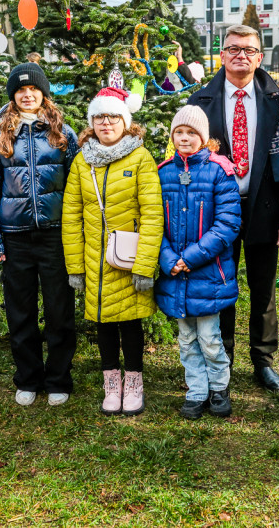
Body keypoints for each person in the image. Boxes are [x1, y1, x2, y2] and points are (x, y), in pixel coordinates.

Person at [186, 24, 279, 393]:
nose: (241, 56)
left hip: (264, 206)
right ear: (222, 55)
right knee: (221, 284)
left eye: (249, 50)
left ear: (259, 57)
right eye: (233, 49)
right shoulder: (200, 102)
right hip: (217, 214)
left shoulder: (278, 101)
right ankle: (224, 356)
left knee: (263, 288)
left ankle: (263, 359)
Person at [0, 62, 79, 407]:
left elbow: (77, 186)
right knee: (20, 312)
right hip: (16, 237)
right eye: (21, 90)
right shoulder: (0, 137)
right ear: (13, 96)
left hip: (55, 235)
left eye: (33, 89)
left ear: (43, 94)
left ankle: (58, 378)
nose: (27, 95)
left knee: (59, 311)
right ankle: (27, 378)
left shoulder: (62, 134)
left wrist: (76, 233)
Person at [62, 86, 162, 416]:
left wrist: (144, 266)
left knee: (130, 323)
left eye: (114, 116)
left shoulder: (140, 159)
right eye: (100, 117)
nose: (107, 123)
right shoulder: (82, 162)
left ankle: (133, 383)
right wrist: (76, 267)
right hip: (94, 259)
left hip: (129, 259)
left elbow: (152, 214)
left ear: (126, 121)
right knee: (103, 322)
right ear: (92, 122)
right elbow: (72, 217)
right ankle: (111, 383)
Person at [155, 106, 241, 419]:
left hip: (208, 274)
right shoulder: (163, 172)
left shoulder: (219, 171)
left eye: (191, 133)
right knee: (187, 339)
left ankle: (219, 388)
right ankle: (196, 390)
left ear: (203, 137)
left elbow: (227, 224)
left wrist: (189, 258)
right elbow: (153, 222)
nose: (185, 138)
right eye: (179, 132)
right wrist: (168, 259)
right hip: (175, 274)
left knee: (210, 338)